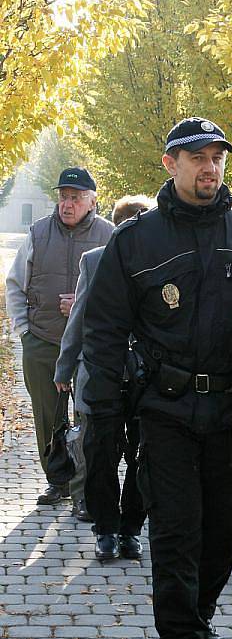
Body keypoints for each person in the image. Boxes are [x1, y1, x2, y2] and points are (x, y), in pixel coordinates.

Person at [81, 117, 232, 639]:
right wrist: (103, 407)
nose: (209, 167)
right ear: (170, 163)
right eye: (196, 157)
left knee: (222, 530)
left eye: (217, 157)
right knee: (175, 532)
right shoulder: (136, 240)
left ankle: (200, 614)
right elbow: (105, 328)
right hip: (164, 411)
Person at [5, 167, 114, 507]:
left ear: (92, 201)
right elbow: (15, 285)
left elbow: (120, 293)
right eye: (63, 197)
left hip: (90, 347)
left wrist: (83, 303)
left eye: (76, 198)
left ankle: (84, 488)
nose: (67, 204)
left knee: (87, 419)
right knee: (48, 418)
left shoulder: (110, 235)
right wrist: (25, 333)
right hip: (42, 341)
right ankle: (58, 481)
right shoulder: (38, 233)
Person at [54, 195, 155, 561]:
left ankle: (131, 528)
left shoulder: (159, 264)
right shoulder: (95, 262)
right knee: (99, 454)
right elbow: (79, 317)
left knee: (144, 454)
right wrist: (65, 368)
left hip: (146, 377)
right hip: (101, 372)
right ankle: (106, 529)